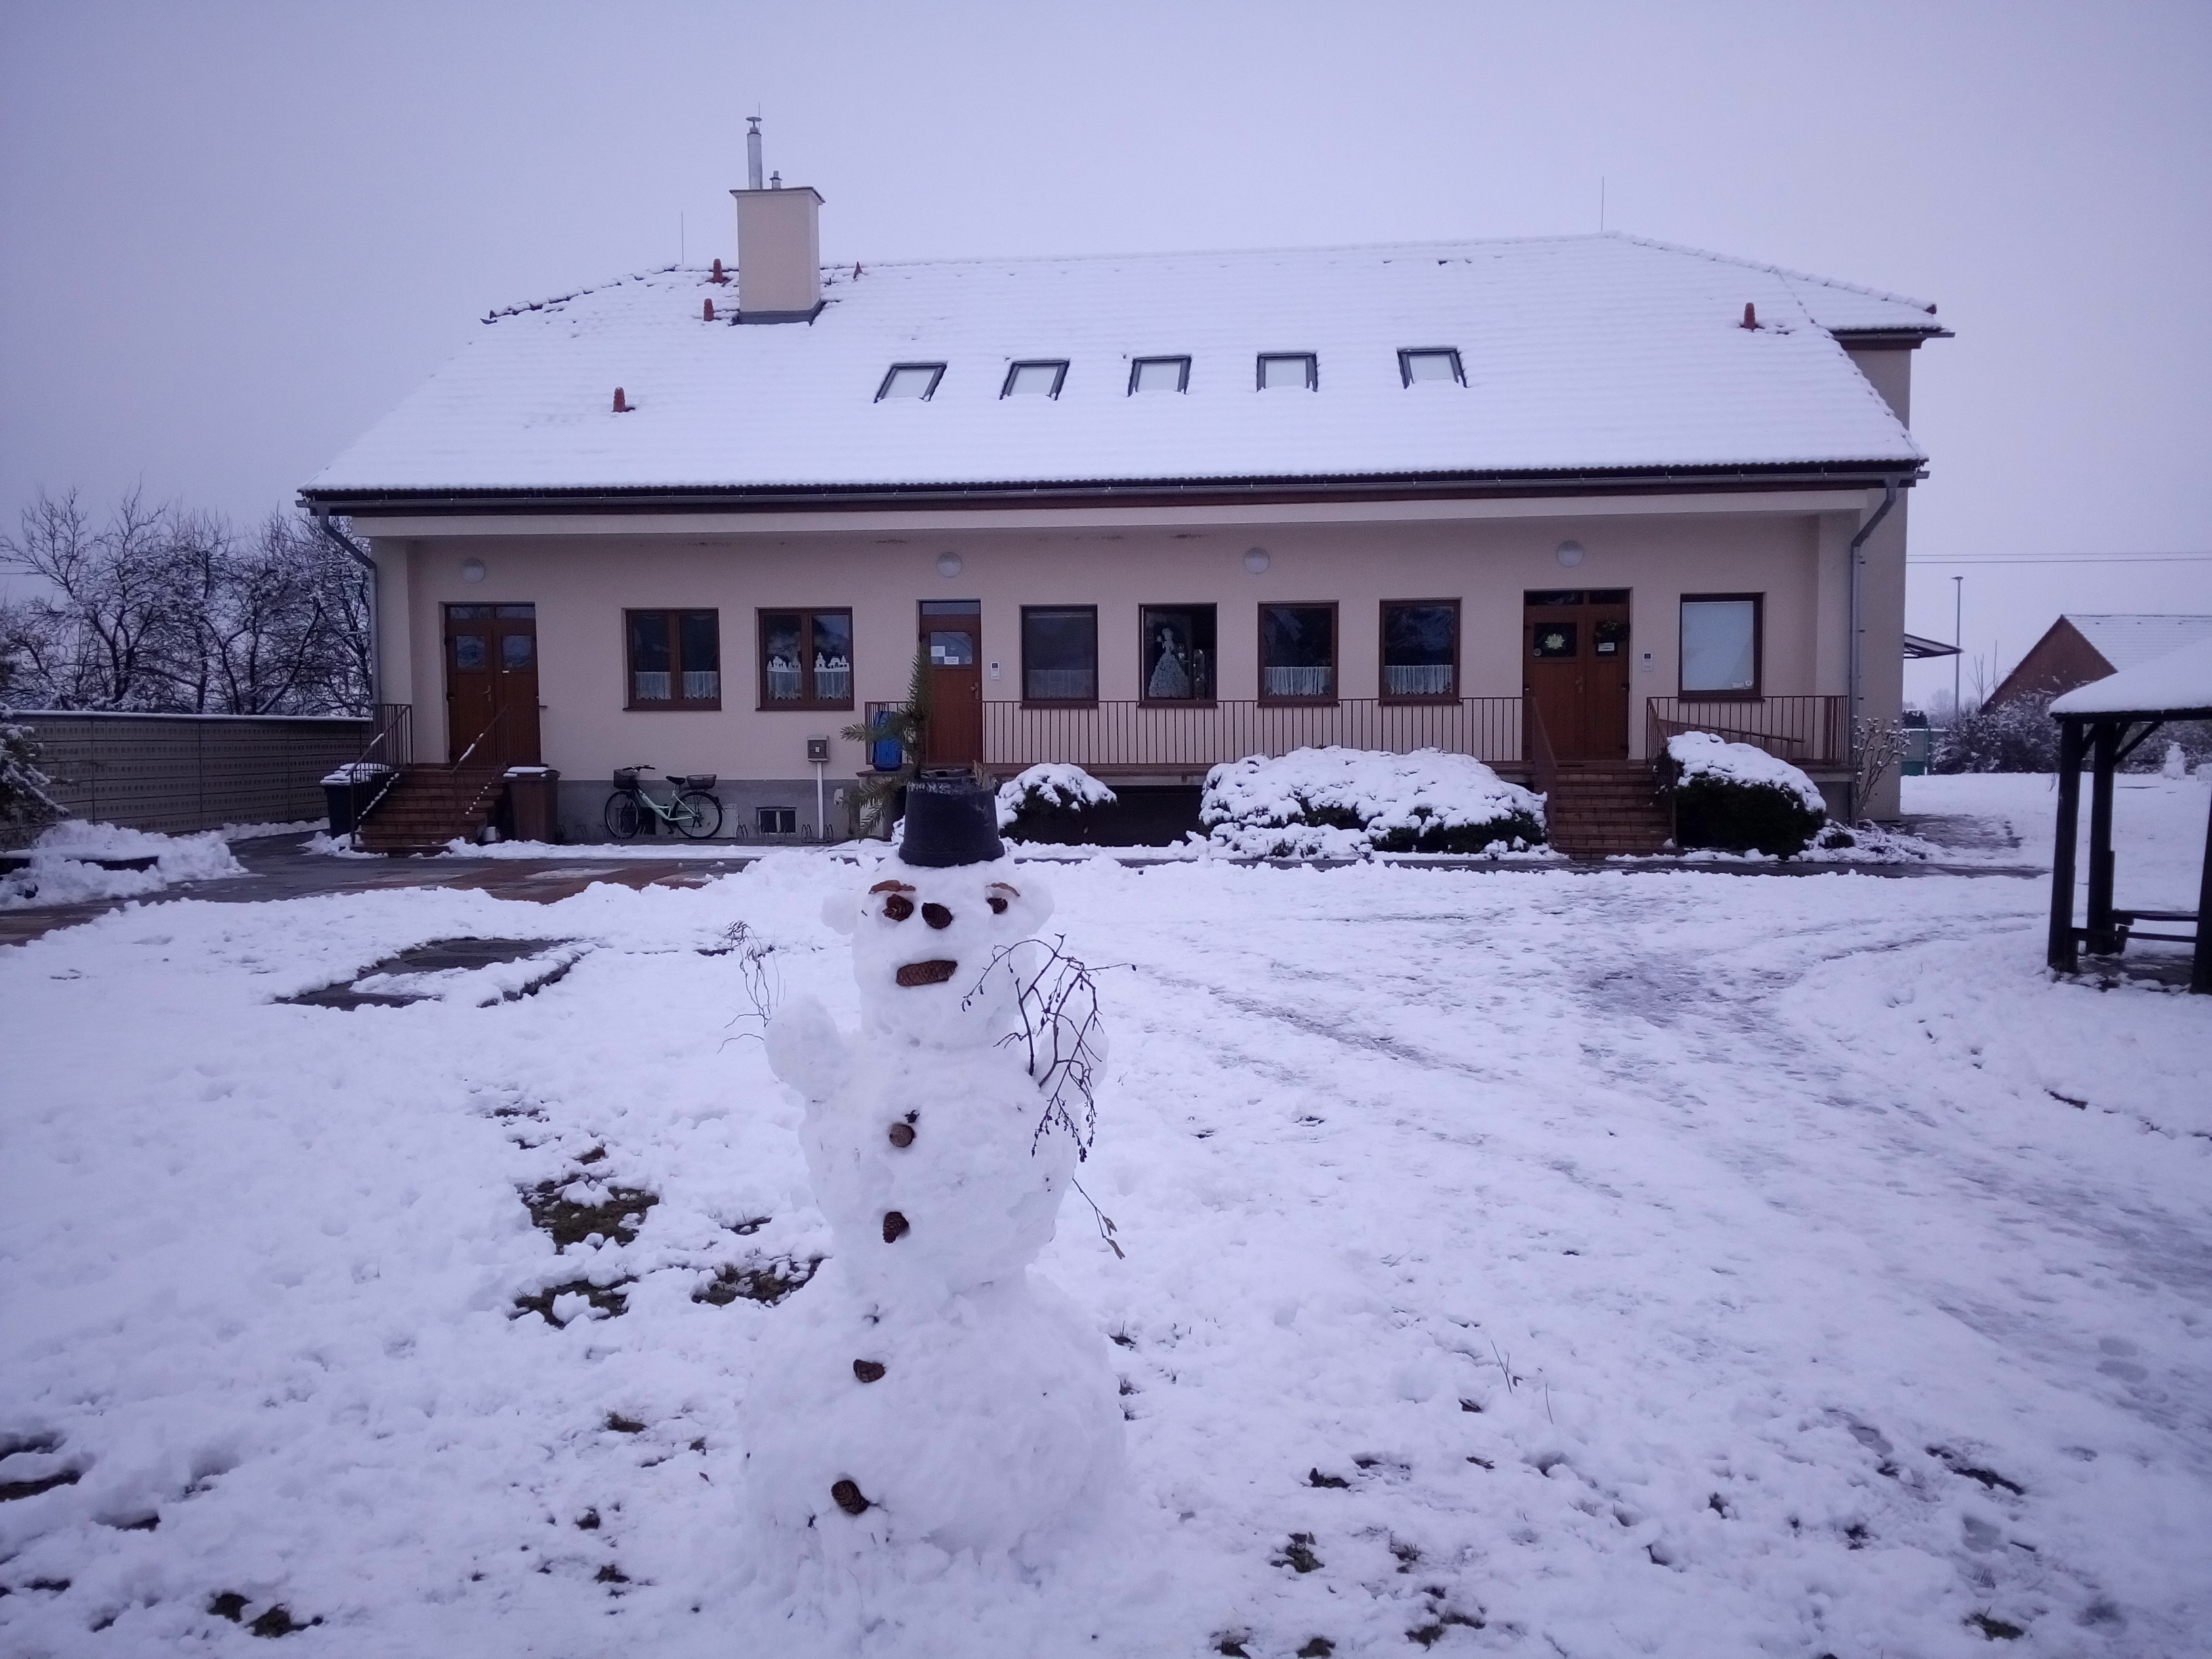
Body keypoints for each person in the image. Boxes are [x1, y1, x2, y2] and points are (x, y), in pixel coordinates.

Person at [1147, 626, 1190, 700]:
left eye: (1167, 635)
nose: (1166, 636)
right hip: (1165, 657)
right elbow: (1163, 648)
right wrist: (1160, 642)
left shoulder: (1170, 642)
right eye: (1166, 635)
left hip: (1169, 657)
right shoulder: (1166, 642)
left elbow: (1172, 649)